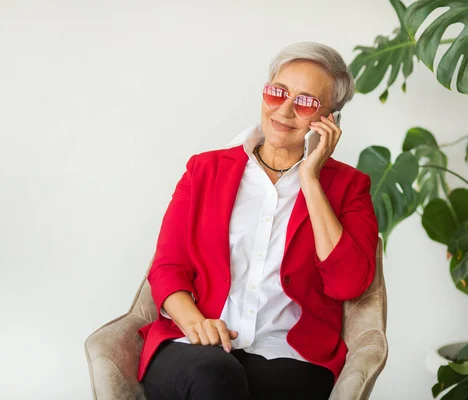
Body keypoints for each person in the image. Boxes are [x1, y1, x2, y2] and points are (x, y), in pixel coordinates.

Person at [137, 41, 379, 400]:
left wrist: (311, 179)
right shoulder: (204, 170)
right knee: (215, 375)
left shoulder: (348, 187)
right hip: (193, 345)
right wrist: (195, 324)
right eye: (277, 92)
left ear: (329, 120)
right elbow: (168, 266)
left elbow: (348, 285)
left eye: (306, 102)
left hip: (290, 354)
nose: (284, 109)